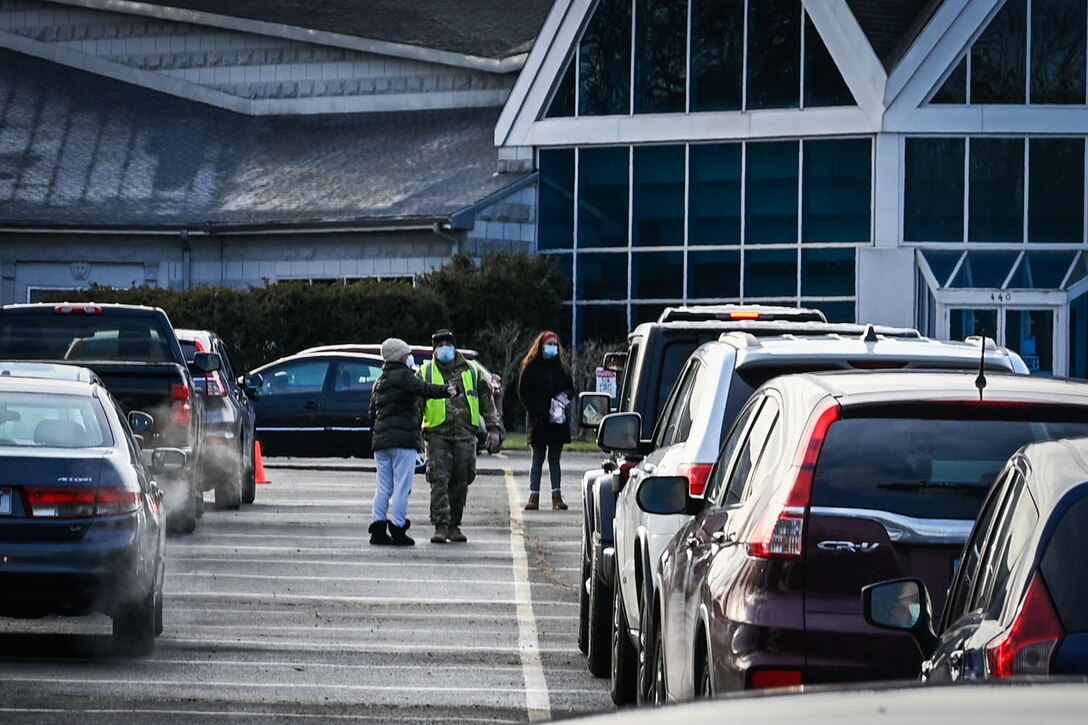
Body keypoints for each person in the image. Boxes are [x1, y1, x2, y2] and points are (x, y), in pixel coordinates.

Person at [367, 337, 455, 546]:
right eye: (407, 354)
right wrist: (447, 390)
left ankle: (378, 528)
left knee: (383, 486)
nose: (410, 358)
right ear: (400, 357)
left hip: (381, 442)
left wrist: (378, 433)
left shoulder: (380, 381)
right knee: (402, 486)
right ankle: (398, 528)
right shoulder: (404, 377)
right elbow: (424, 389)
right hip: (403, 441)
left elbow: (372, 413)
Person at [418, 329, 503, 544]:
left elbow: (487, 402)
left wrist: (494, 429)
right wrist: (415, 435)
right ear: (434, 349)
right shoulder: (425, 372)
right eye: (440, 345)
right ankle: (440, 525)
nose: (444, 348)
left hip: (465, 434)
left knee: (462, 479)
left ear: (455, 346)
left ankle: (454, 525)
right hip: (437, 435)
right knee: (439, 479)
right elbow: (416, 406)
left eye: (448, 343)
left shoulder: (472, 371)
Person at [517, 331, 575, 511]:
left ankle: (556, 497)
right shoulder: (531, 367)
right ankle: (533, 496)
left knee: (554, 460)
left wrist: (562, 400)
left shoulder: (562, 369)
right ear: (541, 346)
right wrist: (537, 410)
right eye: (549, 344)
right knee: (537, 458)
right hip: (538, 421)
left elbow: (570, 389)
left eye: (554, 344)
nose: (552, 347)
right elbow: (523, 393)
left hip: (557, 420)